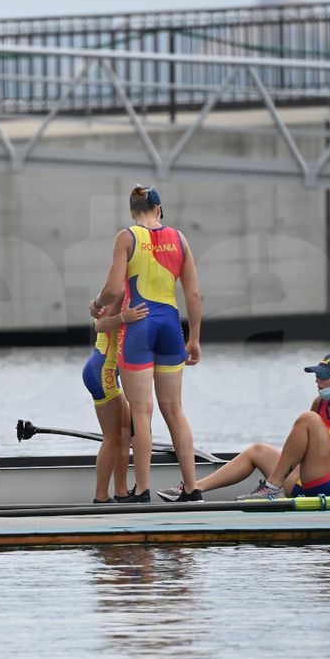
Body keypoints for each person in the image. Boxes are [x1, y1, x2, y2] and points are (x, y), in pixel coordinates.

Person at [89, 185, 202, 503]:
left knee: (141, 412)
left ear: (132, 212)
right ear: (160, 209)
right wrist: (193, 338)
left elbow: (113, 290)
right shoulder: (180, 239)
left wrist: (96, 304)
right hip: (170, 325)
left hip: (140, 326)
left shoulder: (127, 237)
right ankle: (192, 489)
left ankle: (141, 491)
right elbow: (193, 295)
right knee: (175, 410)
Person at [160, 353, 330, 501]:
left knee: (307, 419)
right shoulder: (319, 403)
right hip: (308, 480)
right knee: (259, 450)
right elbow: (303, 448)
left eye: (322, 376)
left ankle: (271, 488)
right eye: (316, 375)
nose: (317, 381)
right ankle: (193, 489)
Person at [83, 300, 148, 503]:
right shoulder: (120, 291)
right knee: (112, 437)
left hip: (109, 371)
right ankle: (100, 496)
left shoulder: (129, 292)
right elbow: (100, 324)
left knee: (125, 434)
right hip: (103, 370)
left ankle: (121, 491)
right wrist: (123, 318)